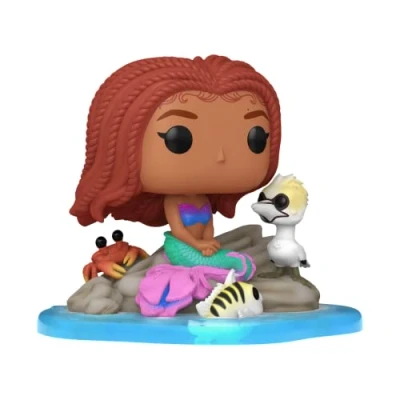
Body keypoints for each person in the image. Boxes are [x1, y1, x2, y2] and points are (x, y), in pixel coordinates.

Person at [70, 55, 281, 282]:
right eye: (179, 139)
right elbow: (179, 231)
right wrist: (199, 244)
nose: (220, 156)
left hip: (202, 247)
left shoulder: (203, 199)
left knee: (237, 261)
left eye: (255, 138)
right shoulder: (174, 201)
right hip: (181, 249)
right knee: (230, 264)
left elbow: (208, 225)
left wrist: (208, 242)